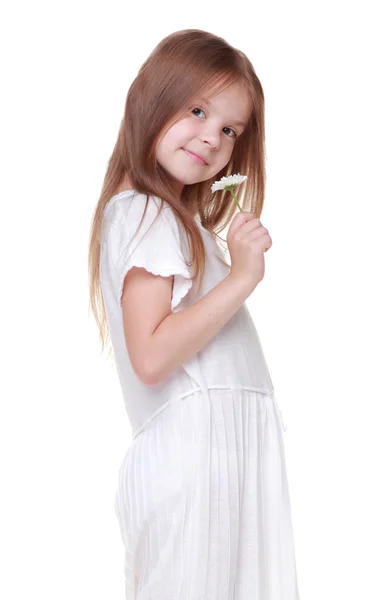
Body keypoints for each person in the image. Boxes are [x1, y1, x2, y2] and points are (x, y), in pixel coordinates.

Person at [88, 28, 300, 600]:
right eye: (198, 109)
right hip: (194, 460)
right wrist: (243, 278)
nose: (212, 137)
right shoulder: (144, 213)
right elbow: (152, 356)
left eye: (229, 129)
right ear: (152, 98)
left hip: (212, 458)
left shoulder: (166, 218)